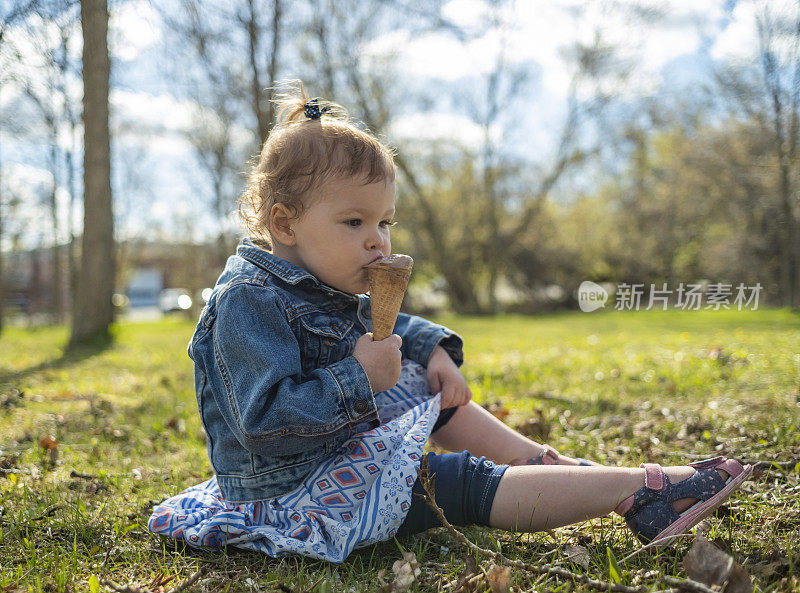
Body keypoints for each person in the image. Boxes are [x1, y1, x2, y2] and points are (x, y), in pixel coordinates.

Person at [148, 82, 752, 562]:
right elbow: (262, 423)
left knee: (428, 387)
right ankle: (636, 492)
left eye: (386, 222)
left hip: (335, 455)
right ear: (284, 225)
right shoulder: (248, 302)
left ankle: (556, 470)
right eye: (354, 222)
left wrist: (430, 348)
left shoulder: (317, 278)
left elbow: (374, 325)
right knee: (446, 482)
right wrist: (359, 378)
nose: (377, 242)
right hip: (297, 496)